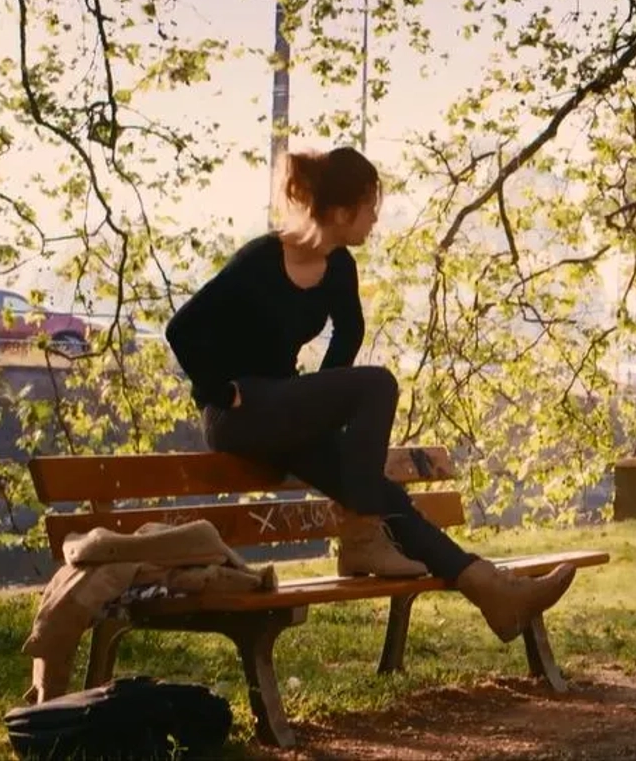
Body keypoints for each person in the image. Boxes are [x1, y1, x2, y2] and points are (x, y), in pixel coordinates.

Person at [164, 145, 574, 643]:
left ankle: (493, 591)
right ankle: (361, 538)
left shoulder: (338, 268)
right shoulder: (260, 260)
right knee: (378, 385)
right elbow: (182, 329)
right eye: (370, 204)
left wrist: (322, 407)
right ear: (340, 212)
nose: (376, 217)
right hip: (238, 415)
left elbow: (349, 333)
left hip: (285, 410)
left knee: (383, 495)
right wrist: (219, 390)